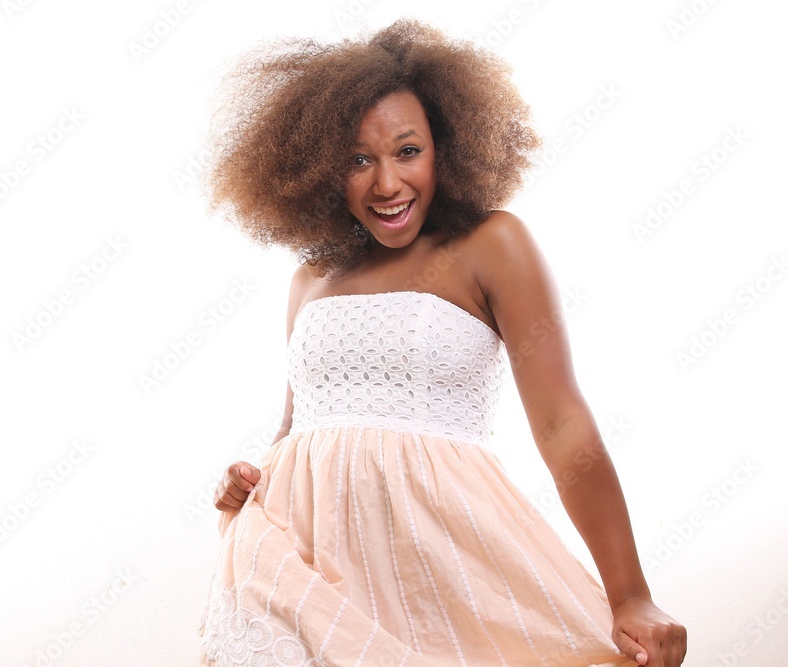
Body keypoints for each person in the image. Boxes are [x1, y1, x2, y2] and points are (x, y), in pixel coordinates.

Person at [197, 19, 687, 667]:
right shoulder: (310, 277)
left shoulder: (492, 245)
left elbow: (561, 423)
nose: (386, 184)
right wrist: (242, 481)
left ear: (448, 149)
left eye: (408, 150)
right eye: (358, 159)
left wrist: (630, 594)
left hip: (440, 564)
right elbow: (298, 430)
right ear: (320, 166)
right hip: (294, 567)